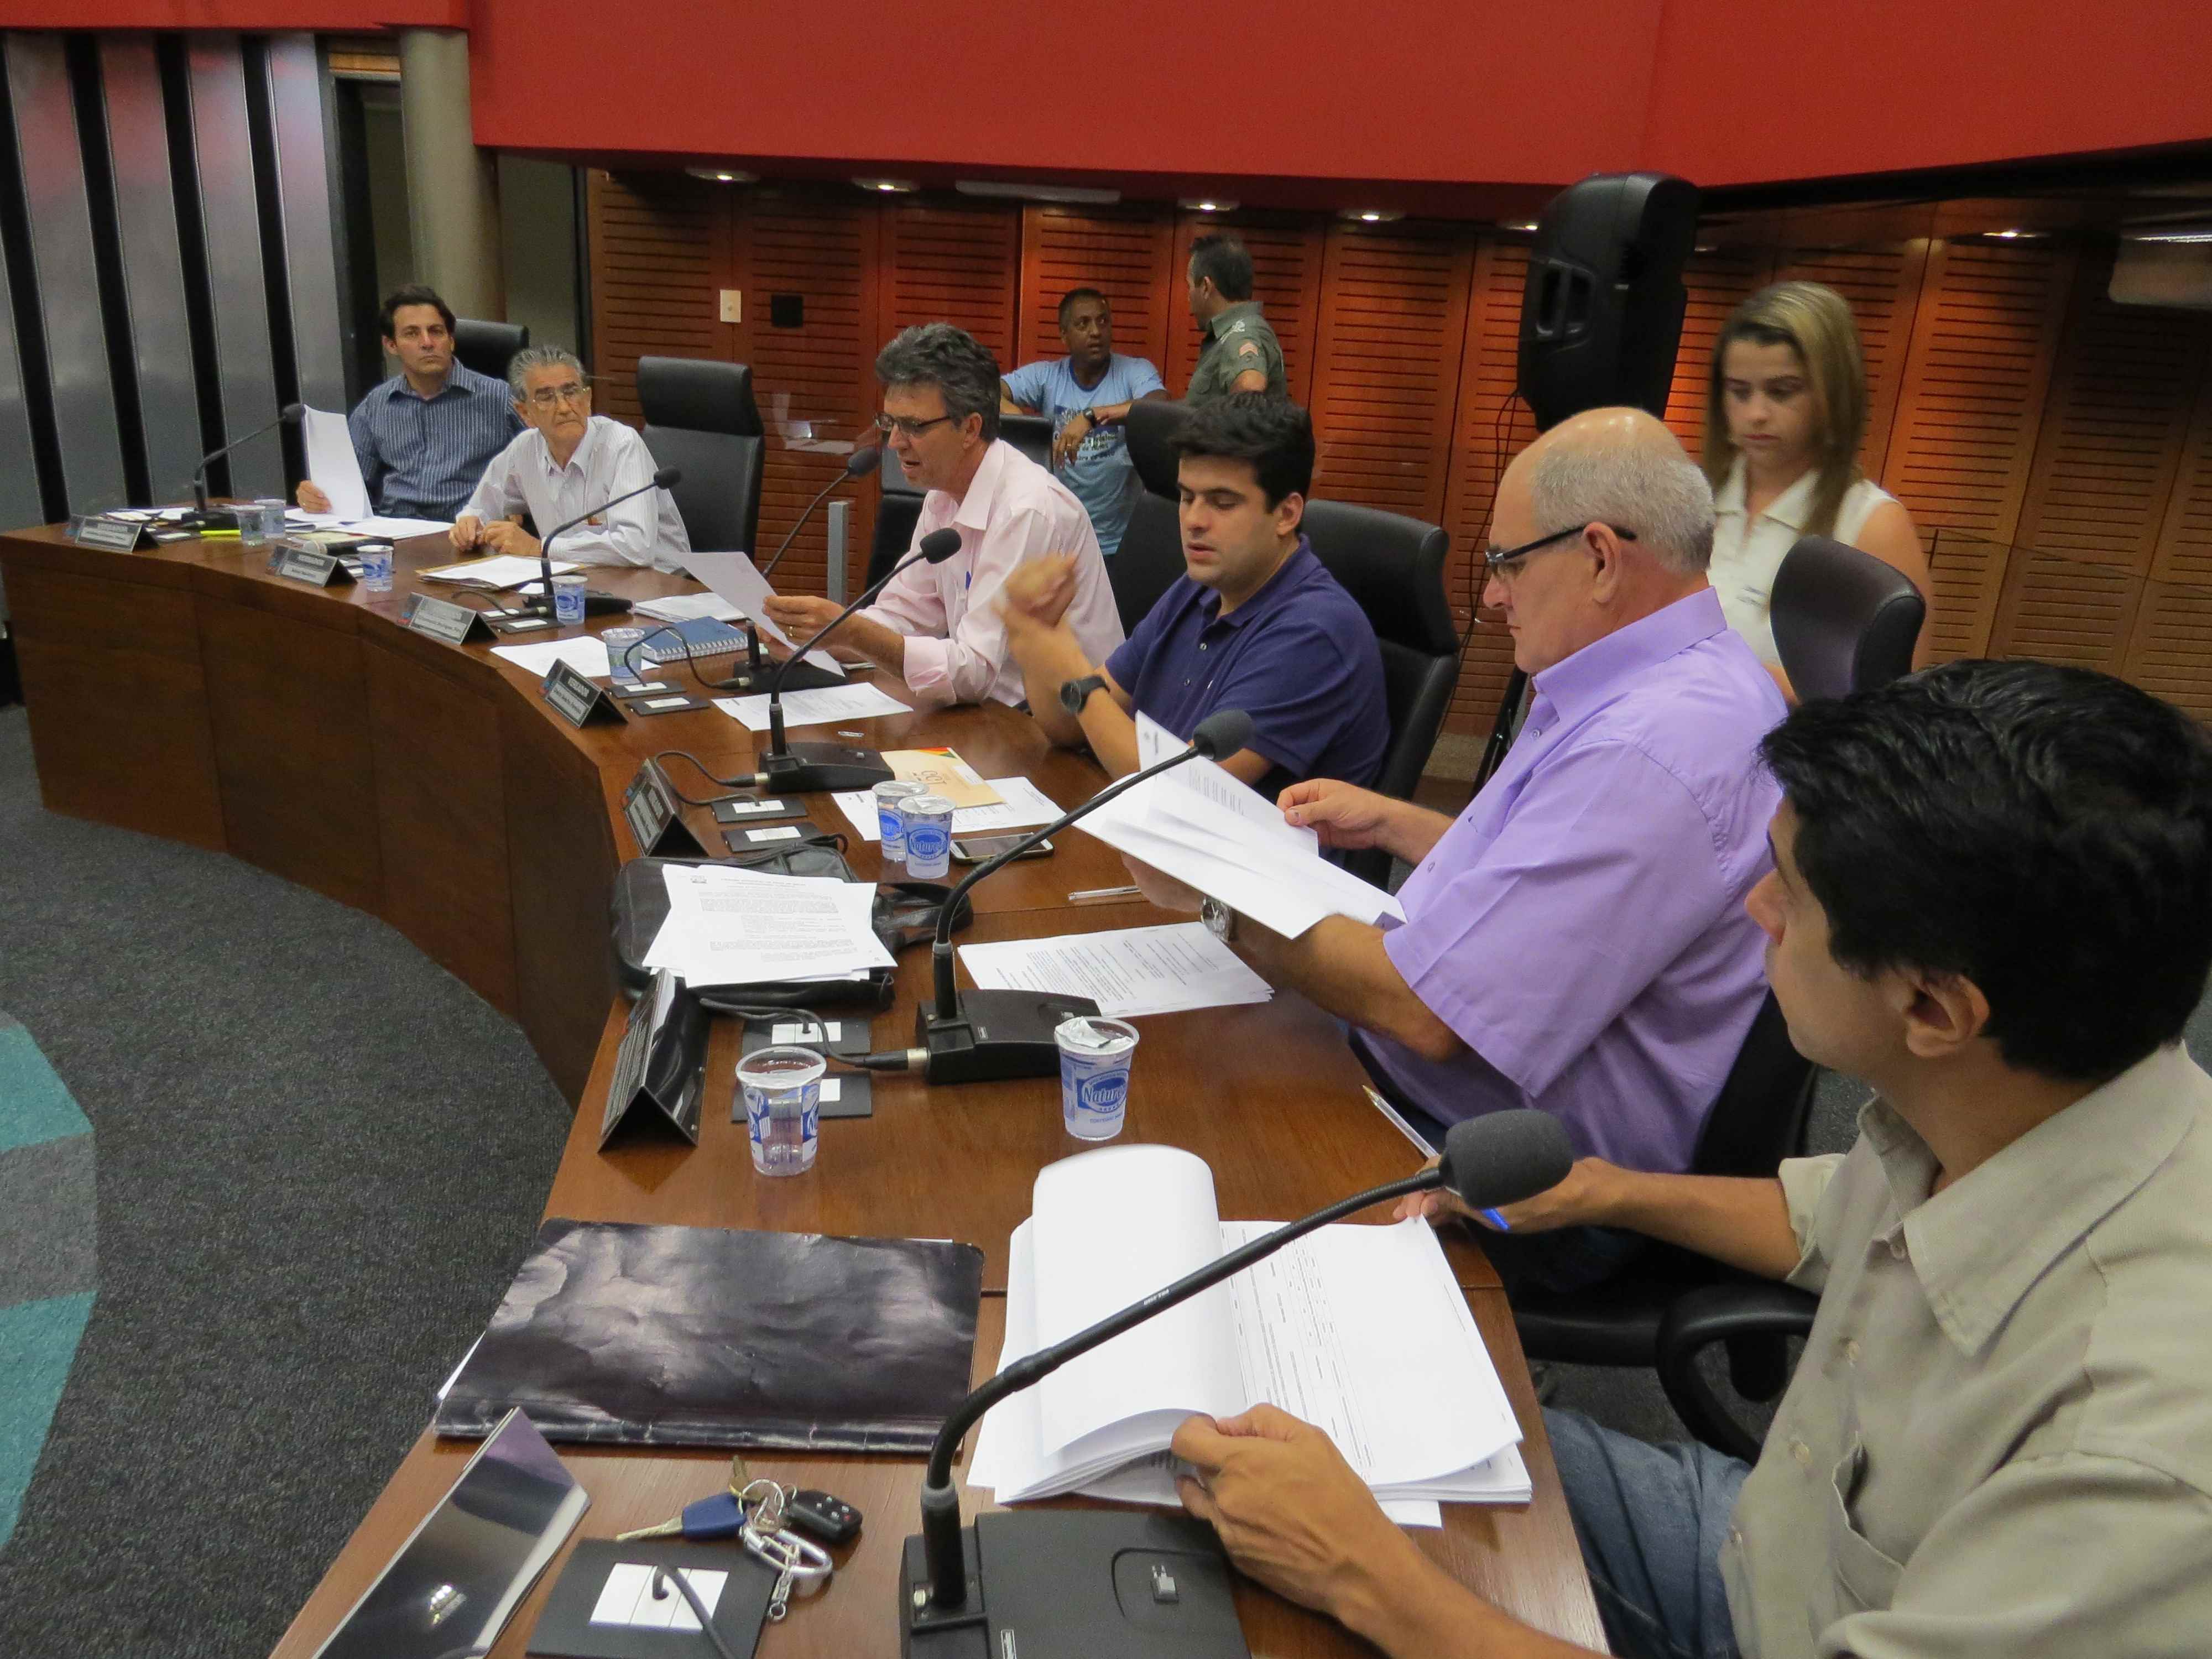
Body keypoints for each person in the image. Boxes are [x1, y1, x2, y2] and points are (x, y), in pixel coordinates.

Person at [1168, 658, 2212, 1659]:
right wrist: (1606, 1190)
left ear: (1934, 1010)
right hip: (1774, 1547)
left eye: (1789, 894)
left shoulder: (2130, 1457)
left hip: (1797, 1618)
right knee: (1305, 1420)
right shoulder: (2014, 1103)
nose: (1755, 908)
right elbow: (1831, 1215)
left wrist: (1364, 1577)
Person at [1125, 408, 1785, 1292]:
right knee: (1162, 1062)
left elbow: (1430, 1016)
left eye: (1507, 562)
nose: (1492, 597)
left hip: (1511, 1172)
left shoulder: (1654, 748)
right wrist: (1398, 824)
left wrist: (1221, 900)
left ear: (1599, 557)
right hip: (1439, 1082)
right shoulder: (1657, 678)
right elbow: (1551, 883)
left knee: (1154, 1123)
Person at [998, 392, 1386, 797]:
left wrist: (1075, 670)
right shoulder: (1198, 588)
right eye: (1187, 498)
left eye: (1223, 503)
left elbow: (1177, 793)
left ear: (1287, 515)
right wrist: (1037, 637)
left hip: (1217, 835)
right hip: (1144, 828)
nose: (1194, 521)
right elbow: (1067, 728)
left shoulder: (1315, 632)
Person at [763, 323, 1123, 709]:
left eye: (913, 426)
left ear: (970, 428)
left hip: (1066, 725)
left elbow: (975, 671)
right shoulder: (943, 496)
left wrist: (852, 633)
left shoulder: (1026, 510)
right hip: (992, 715)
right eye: (890, 423)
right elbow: (904, 616)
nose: (895, 443)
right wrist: (821, 638)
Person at [1704, 280, 1928, 697]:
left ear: (1833, 394)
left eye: (1782, 392)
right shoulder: (1695, 498)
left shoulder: (1872, 523)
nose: (1755, 413)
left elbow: (1895, 705)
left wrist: (1734, 679)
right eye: (1739, 392)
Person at [450, 346, 690, 570]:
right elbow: (480, 508)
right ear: (525, 413)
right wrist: (470, 524)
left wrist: (539, 548)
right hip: (576, 581)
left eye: (571, 392)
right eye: (546, 398)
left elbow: (636, 547)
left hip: (658, 584)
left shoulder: (621, 445)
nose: (564, 408)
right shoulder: (524, 450)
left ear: (588, 399)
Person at [296, 284, 521, 521]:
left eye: (436, 332)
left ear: (451, 341)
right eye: (412, 334)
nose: (427, 342)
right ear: (391, 345)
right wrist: (315, 494)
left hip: (465, 529)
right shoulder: (377, 405)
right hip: (395, 528)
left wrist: (515, 505)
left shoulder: (499, 397)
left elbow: (542, 463)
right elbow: (349, 481)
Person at [1000, 287, 1168, 556]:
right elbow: (988, 390)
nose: (1096, 332)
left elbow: (1159, 405)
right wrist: (1021, 422)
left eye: (1103, 321)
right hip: (1060, 540)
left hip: (1118, 542)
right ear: (1064, 335)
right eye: (1083, 324)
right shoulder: (1047, 376)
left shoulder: (1134, 371)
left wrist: (1091, 416)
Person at [1184, 233, 1286, 401]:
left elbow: (1250, 390)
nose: (1189, 298)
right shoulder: (1236, 331)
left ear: (1206, 287)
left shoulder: (1241, 335)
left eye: (1189, 286)